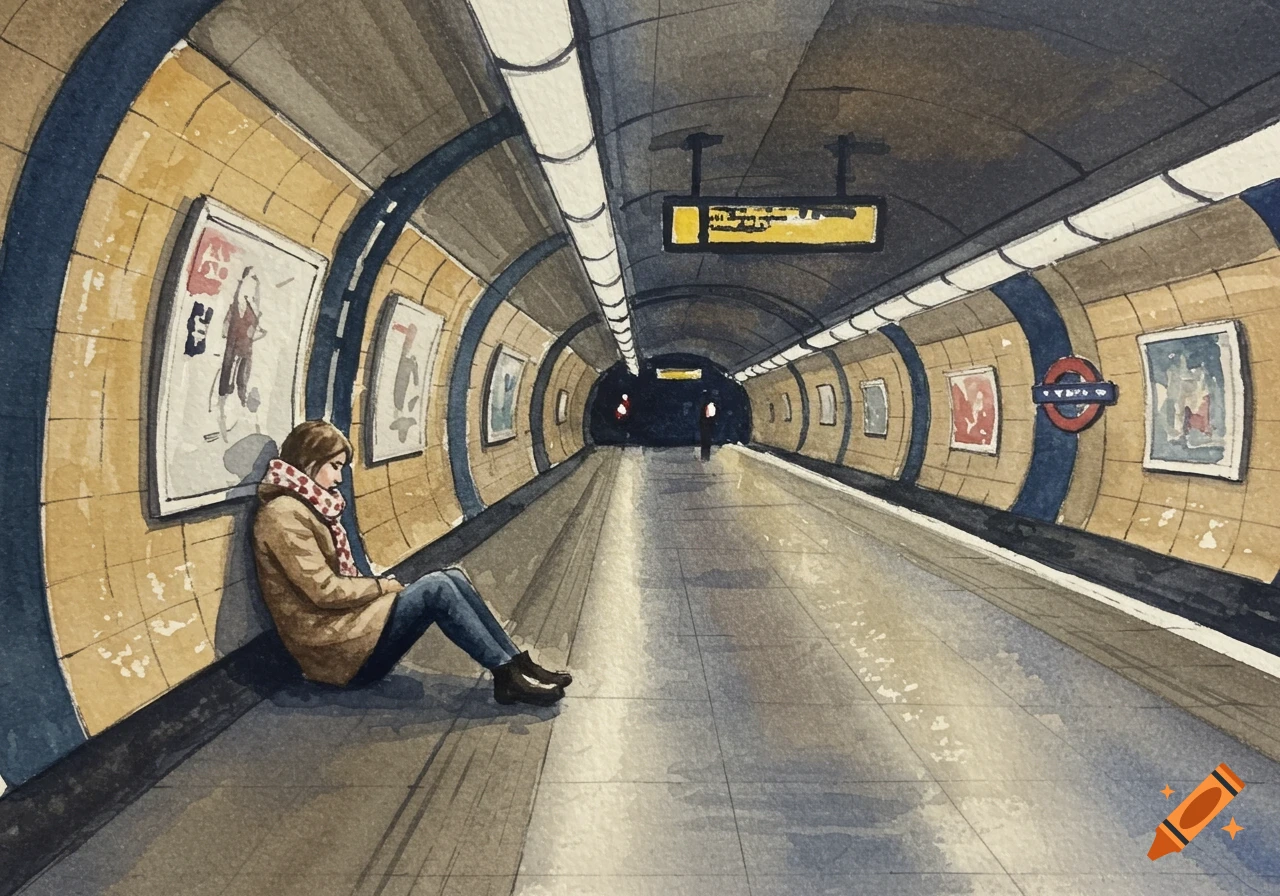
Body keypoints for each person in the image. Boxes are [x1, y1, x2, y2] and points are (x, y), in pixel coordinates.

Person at [252, 420, 570, 706]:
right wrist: (382, 587)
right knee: (437, 588)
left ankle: (517, 664)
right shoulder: (283, 515)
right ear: (310, 461)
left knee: (452, 576)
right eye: (334, 467)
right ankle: (507, 676)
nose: (338, 477)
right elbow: (324, 590)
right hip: (331, 649)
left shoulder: (302, 506)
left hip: (343, 629)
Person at [699, 393, 717, 461]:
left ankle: (705, 457)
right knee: (705, 442)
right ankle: (704, 457)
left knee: (706, 442)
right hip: (705, 425)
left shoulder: (710, 406)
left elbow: (712, 416)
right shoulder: (704, 406)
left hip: (707, 425)